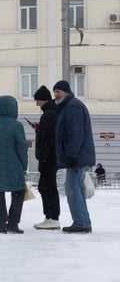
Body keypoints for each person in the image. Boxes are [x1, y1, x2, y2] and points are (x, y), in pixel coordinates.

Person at [53, 80, 96, 233]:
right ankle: (83, 221)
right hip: (79, 155)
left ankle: (82, 223)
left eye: (58, 91)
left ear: (66, 92)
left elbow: (75, 133)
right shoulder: (68, 106)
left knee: (71, 188)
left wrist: (71, 154)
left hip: (77, 156)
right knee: (76, 188)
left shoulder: (72, 107)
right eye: (55, 92)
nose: (56, 95)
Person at [0, 95, 28, 233]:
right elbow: (22, 147)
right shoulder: (16, 125)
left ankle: (1, 224)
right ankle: (13, 223)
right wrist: (24, 165)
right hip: (13, 167)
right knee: (18, 193)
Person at [31, 85, 60, 230]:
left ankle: (52, 217)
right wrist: (39, 128)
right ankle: (50, 216)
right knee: (46, 187)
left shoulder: (48, 114)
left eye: (37, 101)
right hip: (51, 157)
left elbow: (48, 138)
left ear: (43, 100)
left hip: (48, 158)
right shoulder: (51, 113)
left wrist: (42, 156)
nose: (37, 104)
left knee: (47, 187)